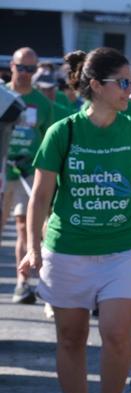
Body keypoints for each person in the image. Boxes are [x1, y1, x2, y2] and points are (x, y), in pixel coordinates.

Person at [18, 47, 131, 393]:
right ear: (96, 86)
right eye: (123, 82)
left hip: (124, 249)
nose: (130, 90)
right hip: (67, 250)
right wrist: (33, 248)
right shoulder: (62, 132)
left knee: (117, 333)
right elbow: (41, 196)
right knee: (71, 337)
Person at [4, 47, 53, 305]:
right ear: (11, 66)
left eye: (30, 69)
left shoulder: (43, 103)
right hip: (2, 169)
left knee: (24, 226)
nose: (24, 74)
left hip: (26, 170)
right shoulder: (2, 95)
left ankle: (23, 283)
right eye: (20, 67)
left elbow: (49, 139)